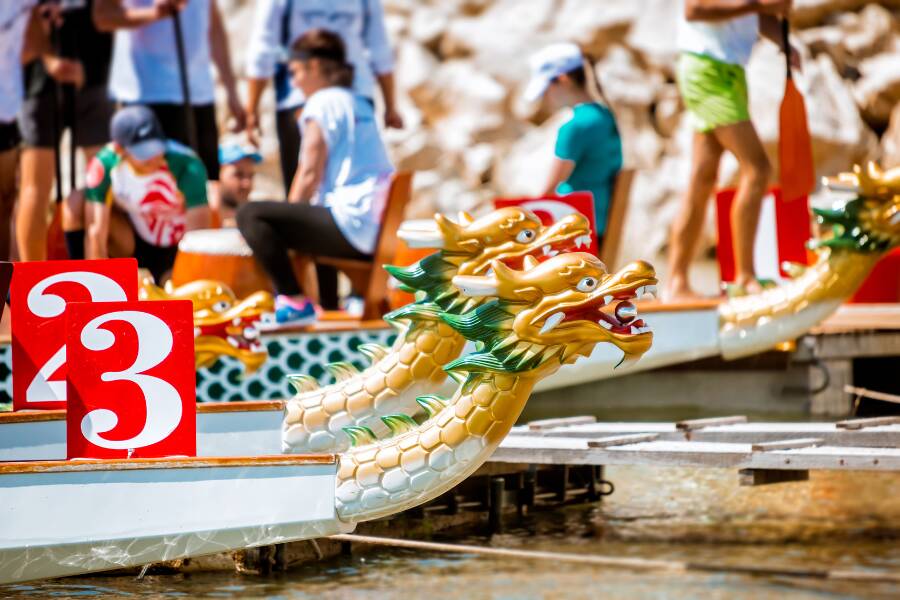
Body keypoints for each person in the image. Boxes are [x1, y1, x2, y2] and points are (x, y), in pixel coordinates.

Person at [237, 29, 394, 327]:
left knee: (251, 214)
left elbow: (309, 172)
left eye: (295, 72)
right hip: (371, 226)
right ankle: (328, 306)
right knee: (320, 208)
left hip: (351, 226)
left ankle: (293, 300)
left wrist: (289, 219)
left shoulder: (321, 103)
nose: (293, 82)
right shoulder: (358, 102)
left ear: (315, 67)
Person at [665, 0, 797, 299]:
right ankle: (746, 278)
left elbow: (753, 15)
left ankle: (676, 282)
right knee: (757, 168)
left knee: (702, 177)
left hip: (729, 71)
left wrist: (782, 38)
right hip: (707, 70)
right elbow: (694, 9)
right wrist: (760, 4)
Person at [243, 0, 401, 194]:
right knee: (347, 172)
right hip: (356, 94)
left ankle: (304, 222)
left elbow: (264, 47)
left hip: (302, 95)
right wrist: (390, 105)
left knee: (304, 179)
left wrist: (252, 109)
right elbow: (380, 50)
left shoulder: (316, 103)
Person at [93, 0, 245, 184]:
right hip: (149, 94)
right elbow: (102, 17)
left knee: (204, 184)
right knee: (154, 186)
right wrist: (153, 13)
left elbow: (213, 24)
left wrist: (232, 91)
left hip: (199, 92)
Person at [67, 105, 210, 283]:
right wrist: (99, 289)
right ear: (120, 149)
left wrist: (186, 281)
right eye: (144, 152)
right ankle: (83, 283)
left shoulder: (187, 163)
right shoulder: (104, 165)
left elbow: (198, 236)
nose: (154, 157)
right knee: (75, 202)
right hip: (133, 244)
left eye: (156, 147)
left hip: (177, 249)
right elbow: (95, 232)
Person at [17, 0, 112, 262]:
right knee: (36, 185)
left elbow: (108, 12)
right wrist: (50, 60)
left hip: (92, 77)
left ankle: (102, 271)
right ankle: (30, 275)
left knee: (104, 179)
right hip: (39, 85)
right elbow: (23, 17)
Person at [1, 1, 82, 262]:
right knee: (18, 193)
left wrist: (47, 54)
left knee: (6, 199)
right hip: (23, 96)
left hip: (9, 104)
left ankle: (8, 289)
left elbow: (32, 30)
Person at [523, 42, 623, 250]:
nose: (544, 98)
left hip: (574, 227)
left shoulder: (575, 126)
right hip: (601, 224)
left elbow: (548, 191)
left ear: (563, 80)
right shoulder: (605, 116)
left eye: (546, 90)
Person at [213, 143, 262, 227]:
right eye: (239, 175)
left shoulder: (257, 221)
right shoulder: (199, 219)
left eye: (250, 176)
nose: (247, 184)